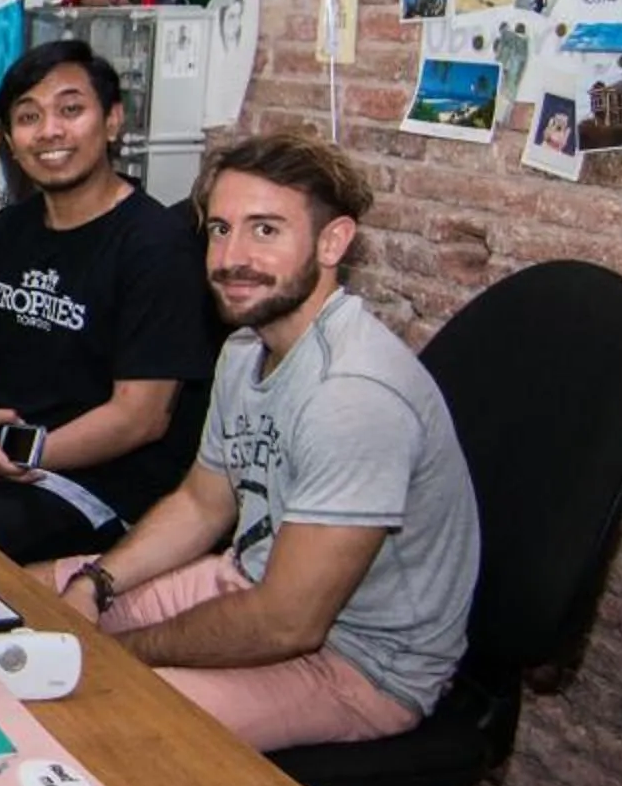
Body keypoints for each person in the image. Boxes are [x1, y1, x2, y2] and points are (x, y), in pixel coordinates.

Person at [51, 131, 479, 752]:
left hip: (358, 666)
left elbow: (287, 624)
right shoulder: (246, 347)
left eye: (266, 230)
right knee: (18, 600)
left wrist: (121, 653)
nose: (232, 256)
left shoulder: (351, 395)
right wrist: (96, 583)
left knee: (94, 722)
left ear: (333, 241)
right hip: (248, 581)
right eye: (220, 230)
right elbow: (203, 504)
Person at [0, 41, 216, 562]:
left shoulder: (155, 245)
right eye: (29, 117)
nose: (49, 130)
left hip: (100, 486)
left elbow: (141, 418)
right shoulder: (8, 230)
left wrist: (16, 452)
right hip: (2, 460)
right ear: (9, 139)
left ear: (112, 121)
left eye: (71, 110)